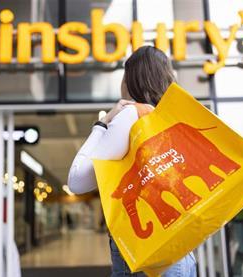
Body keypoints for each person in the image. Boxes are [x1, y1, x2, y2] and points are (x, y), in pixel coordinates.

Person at [67, 45, 197, 276]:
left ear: (131, 79)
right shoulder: (175, 118)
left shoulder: (132, 115)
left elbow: (77, 180)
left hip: (144, 251)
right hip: (182, 250)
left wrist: (103, 123)